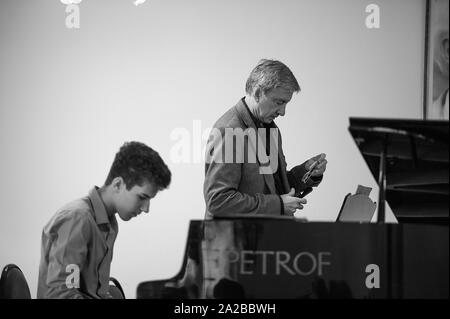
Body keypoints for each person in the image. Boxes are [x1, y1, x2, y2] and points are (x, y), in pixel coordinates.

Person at [37, 141, 171, 298]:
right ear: (118, 184)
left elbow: (95, 292)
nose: (146, 209)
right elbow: (61, 294)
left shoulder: (109, 224)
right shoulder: (78, 218)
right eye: (142, 197)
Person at [203, 59, 327, 218]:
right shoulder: (229, 131)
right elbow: (218, 201)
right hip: (237, 241)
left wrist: (305, 172)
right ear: (257, 93)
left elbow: (274, 188)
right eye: (279, 102)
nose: (282, 112)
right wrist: (278, 205)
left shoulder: (269, 128)